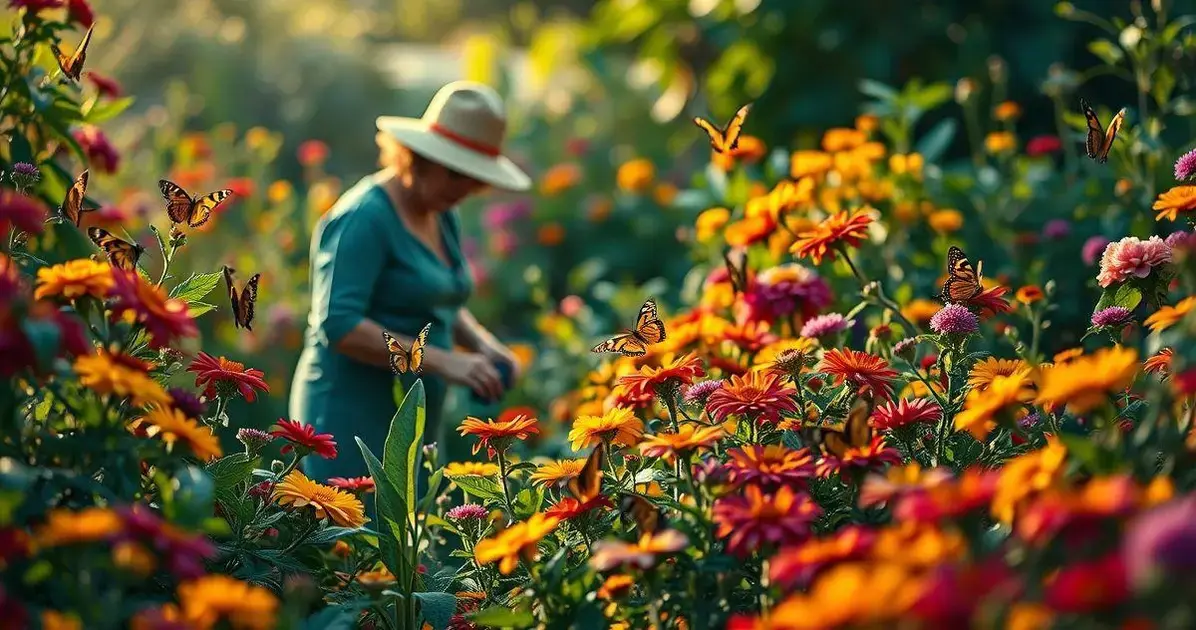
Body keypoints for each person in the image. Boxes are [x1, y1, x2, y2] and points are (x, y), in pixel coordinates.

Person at [290, 81, 530, 482]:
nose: (465, 190)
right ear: (418, 157)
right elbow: (340, 326)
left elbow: (440, 297)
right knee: (358, 520)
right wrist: (445, 361)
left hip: (411, 415)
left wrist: (484, 346)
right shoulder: (364, 218)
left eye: (474, 178)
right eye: (456, 173)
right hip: (348, 418)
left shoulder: (439, 210)